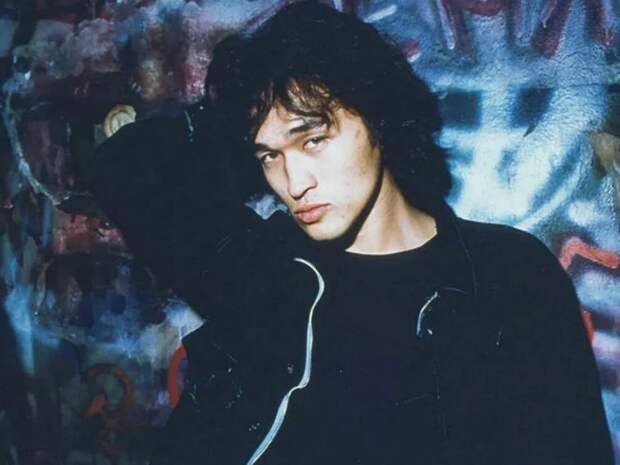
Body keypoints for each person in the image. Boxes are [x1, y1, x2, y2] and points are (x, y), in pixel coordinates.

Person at [89, 2, 614, 464]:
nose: (294, 183)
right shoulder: (261, 268)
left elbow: (571, 450)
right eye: (269, 156)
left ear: (378, 118)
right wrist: (243, 105)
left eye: (313, 140)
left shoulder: (505, 274)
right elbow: (121, 167)